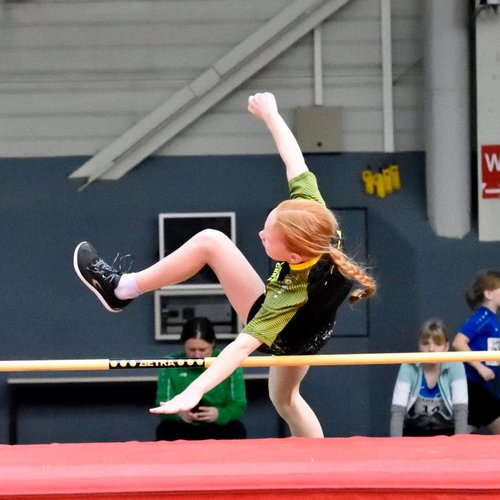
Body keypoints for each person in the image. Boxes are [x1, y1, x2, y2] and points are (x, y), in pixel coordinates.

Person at [73, 91, 376, 438]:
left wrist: (194, 390)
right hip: (314, 330)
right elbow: (295, 161)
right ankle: (318, 465)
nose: (260, 235)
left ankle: (122, 289)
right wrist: (271, 115)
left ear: (293, 256)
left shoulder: (292, 292)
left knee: (211, 241)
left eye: (268, 237)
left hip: (287, 333)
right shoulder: (314, 218)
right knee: (287, 401)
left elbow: (240, 348)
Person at [155, 317, 247, 441]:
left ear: (212, 344)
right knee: (165, 430)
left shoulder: (229, 361)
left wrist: (219, 414)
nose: (197, 355)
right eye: (192, 350)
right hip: (181, 426)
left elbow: (238, 405)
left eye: (203, 350)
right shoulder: (170, 363)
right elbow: (161, 404)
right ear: (184, 345)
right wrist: (178, 414)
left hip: (218, 426)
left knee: (236, 430)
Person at [390, 319, 468, 437]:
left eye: (437, 344)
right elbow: (398, 411)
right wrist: (395, 444)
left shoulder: (456, 366)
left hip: (447, 434)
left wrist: (459, 444)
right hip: (413, 433)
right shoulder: (407, 366)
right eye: (425, 343)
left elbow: (460, 411)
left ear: (446, 346)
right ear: (419, 345)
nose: (431, 349)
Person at [453, 270, 500, 433]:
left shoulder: (493, 320)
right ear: (488, 294)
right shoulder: (482, 317)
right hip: (472, 385)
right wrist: (480, 367)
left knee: (466, 436)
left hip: (484, 386)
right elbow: (458, 342)